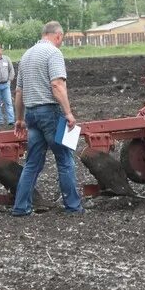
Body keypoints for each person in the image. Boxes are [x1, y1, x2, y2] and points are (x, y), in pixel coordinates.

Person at [11, 21, 84, 216]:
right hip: (49, 113)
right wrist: (68, 113)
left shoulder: (26, 55)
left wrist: (19, 119)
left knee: (33, 163)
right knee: (65, 159)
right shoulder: (53, 53)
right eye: (62, 39)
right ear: (58, 36)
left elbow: (19, 91)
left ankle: (21, 207)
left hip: (32, 115)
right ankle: (73, 206)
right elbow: (57, 85)